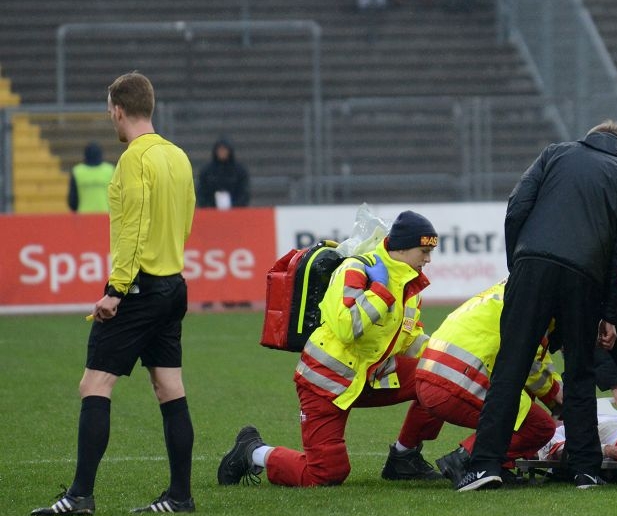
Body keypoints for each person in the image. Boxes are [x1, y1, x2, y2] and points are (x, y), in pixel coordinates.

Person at [32, 71, 197, 516]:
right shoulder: (177, 156)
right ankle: (180, 496)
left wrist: (115, 290)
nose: (111, 117)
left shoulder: (132, 160)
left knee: (94, 384)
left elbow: (132, 230)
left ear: (118, 110)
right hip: (173, 283)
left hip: (138, 287)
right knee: (169, 387)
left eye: (110, 110)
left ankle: (80, 495)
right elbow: (184, 219)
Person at [457, 120, 617, 491]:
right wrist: (611, 313)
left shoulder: (554, 153)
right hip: (586, 279)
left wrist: (521, 263)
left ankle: (484, 466)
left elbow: (516, 208)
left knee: (510, 369)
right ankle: (586, 470)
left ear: (591, 136)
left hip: (532, 268)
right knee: (580, 375)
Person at [217, 211, 445, 488]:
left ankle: (404, 458)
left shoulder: (410, 285)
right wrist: (381, 292)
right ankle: (253, 452)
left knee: (442, 377)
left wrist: (446, 353)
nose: (428, 259)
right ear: (401, 248)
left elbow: (410, 340)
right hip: (326, 382)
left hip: (369, 376)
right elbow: (347, 327)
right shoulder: (356, 270)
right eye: (424, 251)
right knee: (325, 474)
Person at [407, 279, 561, 487]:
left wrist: (555, 390)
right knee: (539, 426)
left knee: (524, 406)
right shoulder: (534, 303)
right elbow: (530, 362)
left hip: (432, 376)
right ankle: (466, 459)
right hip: (456, 379)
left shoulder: (512, 289)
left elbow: (534, 357)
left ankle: (403, 453)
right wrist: (556, 396)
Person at [196, 137, 250, 209]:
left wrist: (235, 205)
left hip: (235, 211)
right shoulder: (207, 171)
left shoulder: (239, 171)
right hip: (211, 211)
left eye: (224, 150)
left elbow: (244, 192)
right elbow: (201, 191)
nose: (222, 152)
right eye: (220, 150)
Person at [67, 141, 114, 213]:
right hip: (105, 216)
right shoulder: (110, 170)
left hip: (84, 217)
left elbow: (72, 201)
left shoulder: (77, 171)